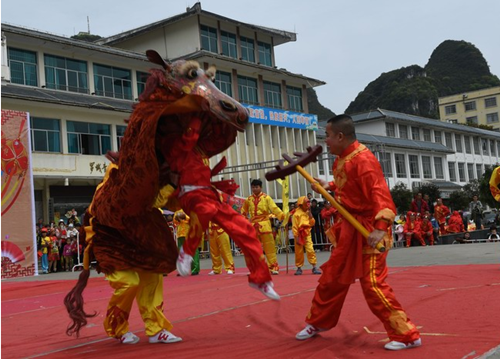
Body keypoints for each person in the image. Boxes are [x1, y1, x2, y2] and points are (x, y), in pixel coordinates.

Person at [295, 114, 420, 351]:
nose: (326, 141)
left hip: (369, 229)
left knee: (372, 284)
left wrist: (379, 229)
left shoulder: (364, 160)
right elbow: (346, 186)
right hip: (351, 230)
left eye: (328, 136)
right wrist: (327, 185)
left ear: (340, 136)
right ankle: (318, 323)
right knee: (332, 278)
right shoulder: (341, 158)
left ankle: (407, 335)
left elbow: (381, 196)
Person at [241, 179, 285, 275]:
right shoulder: (248, 199)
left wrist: (282, 215)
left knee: (269, 248)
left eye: (256, 187)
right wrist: (244, 222)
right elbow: (243, 211)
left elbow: (274, 208)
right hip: (253, 226)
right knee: (254, 249)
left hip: (265, 225)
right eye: (253, 187)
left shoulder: (266, 198)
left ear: (260, 187)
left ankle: (273, 267)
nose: (255, 189)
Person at [292, 196, 321, 276]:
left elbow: (312, 223)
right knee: (299, 251)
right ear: (301, 204)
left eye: (309, 202)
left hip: (307, 233)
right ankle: (299, 267)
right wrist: (297, 236)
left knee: (310, 249)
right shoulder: (296, 214)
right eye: (307, 203)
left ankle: (314, 266)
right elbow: (294, 226)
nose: (308, 204)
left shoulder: (308, 212)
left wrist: (310, 214)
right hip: (299, 234)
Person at [174, 209, 199, 275]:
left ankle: (195, 269)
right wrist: (177, 219)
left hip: (189, 233)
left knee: (192, 251)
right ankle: (182, 270)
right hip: (180, 234)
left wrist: (184, 217)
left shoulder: (190, 208)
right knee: (181, 252)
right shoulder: (177, 211)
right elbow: (174, 221)